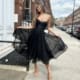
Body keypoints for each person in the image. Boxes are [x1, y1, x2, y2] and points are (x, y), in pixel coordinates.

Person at [27, 3, 67, 80]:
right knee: (34, 52)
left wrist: (56, 34)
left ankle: (49, 72)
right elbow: (32, 27)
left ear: (42, 7)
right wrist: (21, 27)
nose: (38, 9)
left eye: (38, 7)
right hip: (33, 36)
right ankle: (36, 69)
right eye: (37, 8)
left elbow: (48, 29)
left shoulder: (48, 16)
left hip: (41, 37)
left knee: (43, 53)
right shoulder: (36, 17)